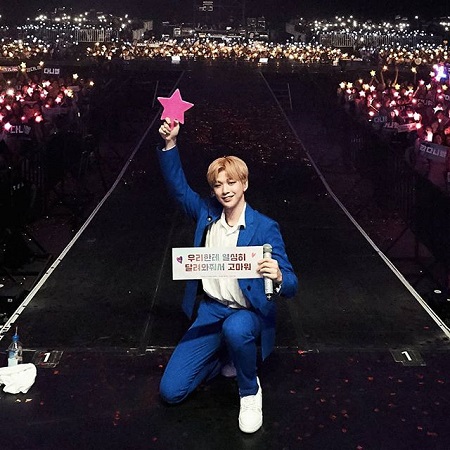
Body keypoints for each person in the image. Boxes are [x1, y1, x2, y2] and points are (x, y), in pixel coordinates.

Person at [157, 118, 298, 433]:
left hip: (246, 314)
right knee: (171, 392)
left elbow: (292, 284)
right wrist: (170, 144)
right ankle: (224, 355)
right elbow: (179, 189)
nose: (225, 190)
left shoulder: (264, 226)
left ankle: (250, 391)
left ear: (244, 184)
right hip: (210, 311)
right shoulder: (206, 214)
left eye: (231, 182)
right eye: (218, 185)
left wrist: (277, 275)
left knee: (236, 329)